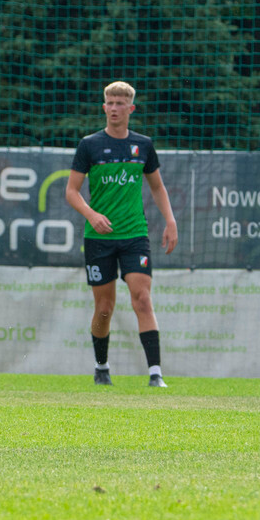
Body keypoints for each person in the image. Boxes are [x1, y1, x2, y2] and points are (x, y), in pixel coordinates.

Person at [65, 80, 178, 387]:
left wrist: (170, 220)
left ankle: (155, 374)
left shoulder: (143, 145)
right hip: (99, 238)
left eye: (120, 103)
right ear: (104, 107)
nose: (114, 108)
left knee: (142, 298)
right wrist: (92, 214)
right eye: (110, 103)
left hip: (134, 235)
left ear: (131, 108)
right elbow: (72, 192)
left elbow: (157, 186)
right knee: (104, 309)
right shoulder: (89, 145)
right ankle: (102, 367)